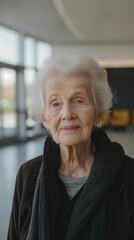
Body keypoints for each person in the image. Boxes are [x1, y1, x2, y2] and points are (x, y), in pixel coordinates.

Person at [8, 56, 134, 240]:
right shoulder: (28, 175)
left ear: (98, 113)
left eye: (79, 100)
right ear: (45, 118)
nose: (67, 114)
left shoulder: (129, 175)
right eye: (55, 103)